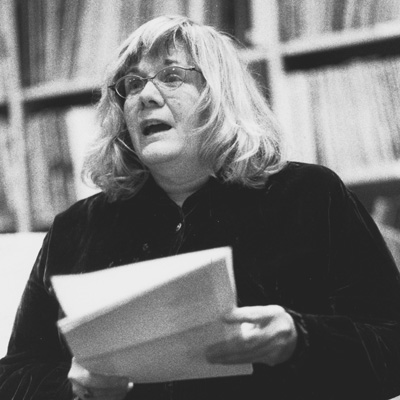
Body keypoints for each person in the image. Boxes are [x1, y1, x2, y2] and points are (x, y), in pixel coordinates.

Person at [1, 14, 400, 400]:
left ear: (219, 93)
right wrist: (69, 386)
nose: (146, 96)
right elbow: (15, 373)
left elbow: (392, 348)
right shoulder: (77, 228)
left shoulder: (311, 196)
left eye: (172, 76)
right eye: (132, 83)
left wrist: (299, 338)